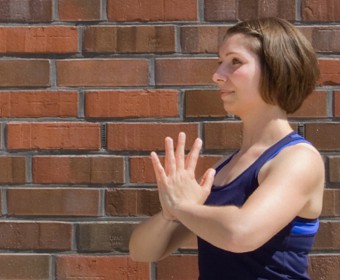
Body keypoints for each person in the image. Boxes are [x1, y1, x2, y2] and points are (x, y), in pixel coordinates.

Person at [129, 17, 324, 280]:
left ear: (276, 68)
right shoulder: (225, 167)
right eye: (220, 62)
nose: (218, 75)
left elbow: (241, 233)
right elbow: (142, 252)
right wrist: (169, 213)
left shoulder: (298, 159)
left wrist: (182, 205)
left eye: (235, 62)